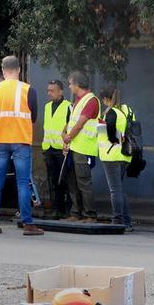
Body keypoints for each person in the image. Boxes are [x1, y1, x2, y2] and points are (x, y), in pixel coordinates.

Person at [0, 56, 43, 236]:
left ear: (3, 71)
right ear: (19, 70)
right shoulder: (28, 89)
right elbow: (33, 117)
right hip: (20, 140)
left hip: (0, 140)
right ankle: (27, 224)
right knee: (23, 183)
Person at [63, 70, 100, 222]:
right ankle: (75, 213)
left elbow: (80, 123)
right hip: (74, 147)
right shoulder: (78, 100)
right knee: (72, 181)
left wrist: (68, 136)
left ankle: (90, 214)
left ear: (77, 84)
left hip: (84, 149)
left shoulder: (91, 100)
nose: (69, 87)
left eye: (70, 84)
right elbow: (72, 122)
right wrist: (64, 132)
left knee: (84, 182)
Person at [97, 85, 133, 230]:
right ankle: (126, 220)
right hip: (124, 155)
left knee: (114, 190)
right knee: (119, 189)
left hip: (111, 155)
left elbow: (111, 129)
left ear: (106, 99)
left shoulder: (112, 112)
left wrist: (112, 138)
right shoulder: (127, 110)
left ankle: (118, 220)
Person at [41, 80, 72, 218]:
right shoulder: (47, 106)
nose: (49, 93)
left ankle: (65, 209)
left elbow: (70, 128)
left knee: (64, 181)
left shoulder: (68, 107)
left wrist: (67, 146)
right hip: (49, 148)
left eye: (52, 90)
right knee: (53, 181)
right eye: (48, 90)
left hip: (61, 149)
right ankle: (56, 209)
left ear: (61, 91)